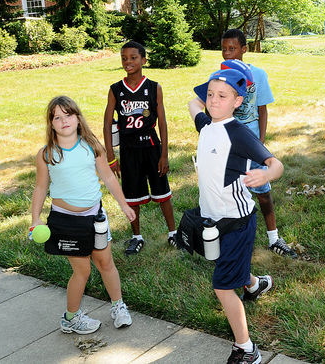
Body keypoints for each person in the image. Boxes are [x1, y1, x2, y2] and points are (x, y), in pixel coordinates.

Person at [189, 68, 284, 364]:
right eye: (211, 95)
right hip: (213, 220)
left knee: (222, 285)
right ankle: (255, 285)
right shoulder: (205, 125)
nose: (213, 101)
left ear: (237, 101)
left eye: (222, 96)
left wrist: (266, 173)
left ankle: (247, 349)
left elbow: (275, 163)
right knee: (228, 265)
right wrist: (205, 94)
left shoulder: (239, 133)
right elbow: (194, 104)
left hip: (238, 222)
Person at [31, 96, 137, 334]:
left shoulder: (92, 146)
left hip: (95, 217)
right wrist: (35, 218)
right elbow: (40, 188)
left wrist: (124, 205)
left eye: (68, 115)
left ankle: (118, 306)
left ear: (78, 118)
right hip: (65, 221)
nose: (63, 121)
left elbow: (109, 177)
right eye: (57, 117)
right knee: (82, 271)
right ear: (51, 124)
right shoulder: (47, 154)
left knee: (105, 262)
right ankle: (70, 318)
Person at [220, 28, 296, 258]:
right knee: (230, 192)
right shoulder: (219, 76)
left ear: (244, 49)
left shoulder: (259, 75)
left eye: (232, 49)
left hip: (251, 141)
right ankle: (232, 239)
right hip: (228, 143)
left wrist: (260, 143)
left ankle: (274, 237)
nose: (228, 54)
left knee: (262, 191)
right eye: (224, 49)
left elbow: (262, 110)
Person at [103, 41, 177, 255]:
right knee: (132, 195)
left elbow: (162, 122)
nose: (128, 62)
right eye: (124, 58)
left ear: (144, 60)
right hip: (128, 149)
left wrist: (164, 154)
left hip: (151, 145)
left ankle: (173, 234)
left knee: (163, 192)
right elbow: (108, 123)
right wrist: (110, 156)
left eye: (133, 57)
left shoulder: (154, 87)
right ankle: (137, 236)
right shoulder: (116, 90)